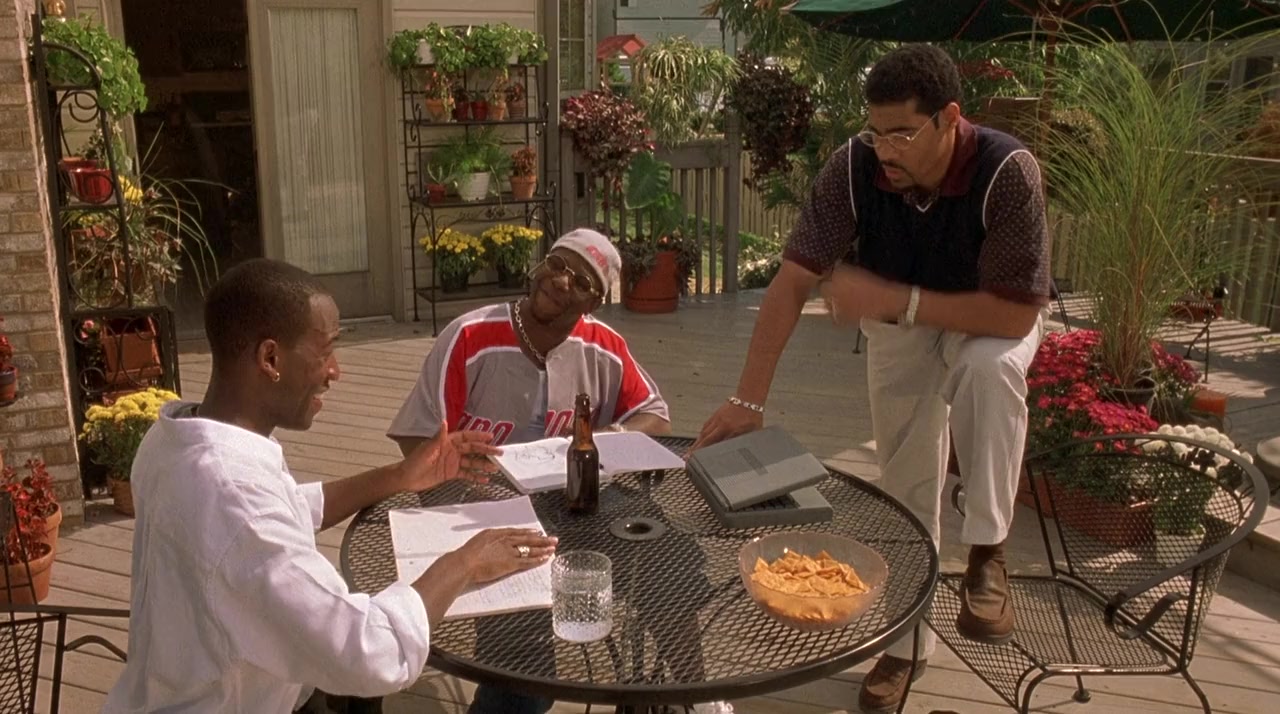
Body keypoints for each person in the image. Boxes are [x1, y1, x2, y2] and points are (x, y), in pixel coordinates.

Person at [692, 44, 1050, 713]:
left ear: (950, 118)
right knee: (907, 483)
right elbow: (793, 281)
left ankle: (987, 552)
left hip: (983, 320)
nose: (885, 149)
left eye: (902, 134)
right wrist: (748, 399)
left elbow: (1015, 314)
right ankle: (907, 645)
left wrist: (897, 301)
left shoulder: (1007, 170)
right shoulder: (855, 168)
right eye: (876, 131)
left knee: (991, 370)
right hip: (899, 329)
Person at [104, 258, 558, 713]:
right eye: (325, 352)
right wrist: (465, 562)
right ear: (270, 359)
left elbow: (287, 509)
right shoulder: (236, 498)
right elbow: (373, 653)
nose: (335, 371)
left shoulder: (173, 439)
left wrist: (402, 476)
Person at [390, 229, 731, 714]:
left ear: (595, 301)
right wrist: (456, 467)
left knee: (664, 557)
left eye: (581, 280)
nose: (560, 280)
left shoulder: (603, 345)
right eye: (557, 264)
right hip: (479, 501)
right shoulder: (470, 335)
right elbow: (415, 435)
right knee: (524, 649)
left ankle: (695, 695)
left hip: (576, 499)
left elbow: (655, 414)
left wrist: (599, 438)